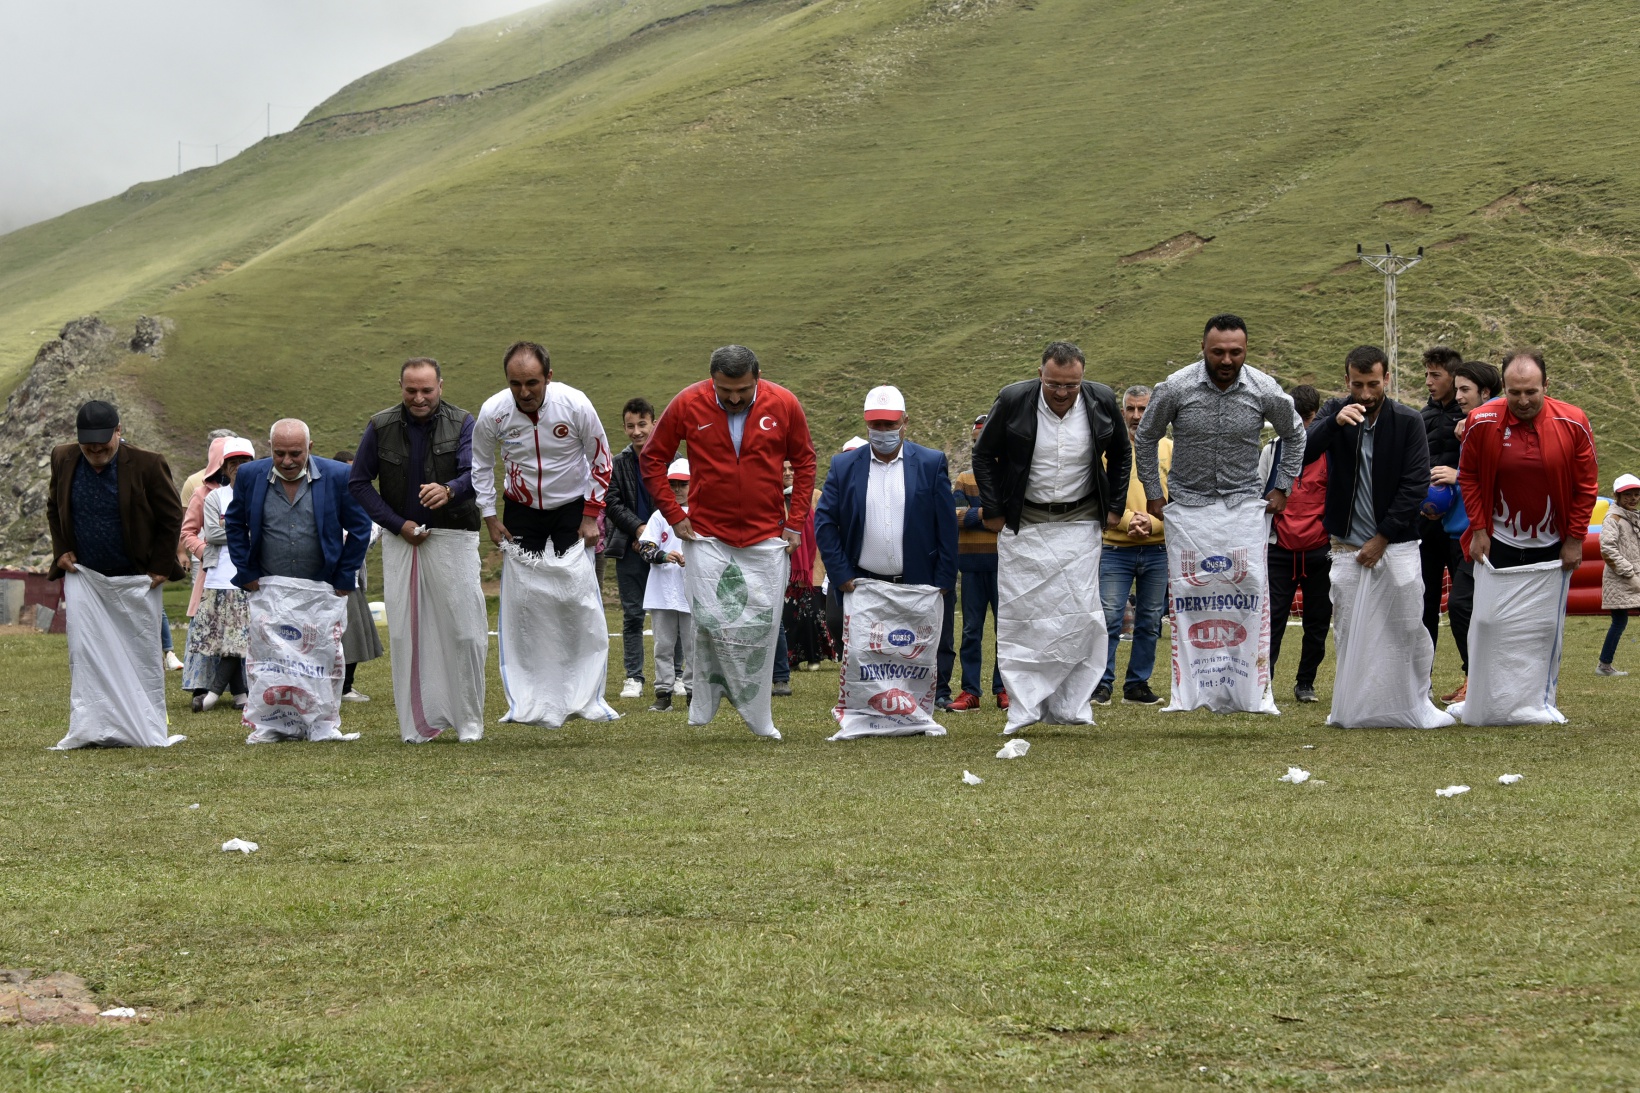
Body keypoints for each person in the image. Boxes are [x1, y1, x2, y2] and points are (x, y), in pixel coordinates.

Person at [640, 345, 816, 739]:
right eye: (724, 391)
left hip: (766, 533)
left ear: (757, 377)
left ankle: (758, 712)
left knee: (764, 624)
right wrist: (675, 514)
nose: (734, 398)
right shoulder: (687, 403)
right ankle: (704, 702)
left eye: (743, 390)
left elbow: (805, 461)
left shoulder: (784, 403)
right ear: (711, 381)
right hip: (707, 534)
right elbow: (653, 459)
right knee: (706, 623)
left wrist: (796, 521)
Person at [1135, 315, 1304, 713]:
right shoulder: (1175, 387)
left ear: (1246, 350)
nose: (1227, 360)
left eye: (1235, 352)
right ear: (1203, 348)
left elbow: (1295, 434)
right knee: (1191, 593)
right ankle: (1191, 692)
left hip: (1242, 507)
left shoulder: (1264, 389)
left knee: (1248, 591)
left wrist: (1282, 486)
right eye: (1218, 352)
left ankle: (1252, 689)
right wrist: (1154, 492)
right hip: (1188, 507)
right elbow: (1146, 437)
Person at [973, 341, 1127, 732]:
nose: (1062, 393)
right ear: (1040, 373)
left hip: (1081, 522)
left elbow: (1122, 453)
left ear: (1082, 378)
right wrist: (993, 510)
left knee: (1082, 617)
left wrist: (1115, 506)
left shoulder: (1102, 399)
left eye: (1071, 385)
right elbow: (983, 455)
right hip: (1025, 523)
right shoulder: (1012, 399)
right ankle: (1024, 706)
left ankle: (1072, 704)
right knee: (1022, 619)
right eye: (1054, 384)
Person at [1304, 346, 1444, 728]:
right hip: (1345, 546)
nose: (1365, 394)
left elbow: (1415, 484)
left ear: (1387, 379)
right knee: (1349, 629)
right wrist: (1333, 424)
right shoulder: (1335, 413)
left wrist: (1382, 538)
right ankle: (1355, 706)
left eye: (1373, 384)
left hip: (1397, 545)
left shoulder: (1409, 420)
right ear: (1346, 381)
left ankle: (1411, 703)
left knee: (1406, 626)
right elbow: (1302, 453)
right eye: (1357, 384)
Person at [350, 359, 490, 742]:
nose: (419, 398)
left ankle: (469, 722)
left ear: (441, 386)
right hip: (402, 542)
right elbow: (359, 483)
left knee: (465, 632)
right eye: (411, 390)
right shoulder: (380, 426)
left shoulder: (464, 422)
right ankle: (417, 724)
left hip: (454, 537)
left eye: (426, 390)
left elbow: (476, 475)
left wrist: (449, 491)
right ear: (400, 387)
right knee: (405, 635)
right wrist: (398, 525)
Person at [815, 385, 958, 737]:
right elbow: (825, 522)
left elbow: (946, 526)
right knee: (867, 653)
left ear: (905, 422)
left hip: (917, 582)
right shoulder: (844, 465)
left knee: (914, 652)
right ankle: (866, 714)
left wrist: (942, 579)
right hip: (864, 581)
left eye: (889, 423)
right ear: (866, 425)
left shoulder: (929, 462)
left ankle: (917, 713)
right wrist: (841, 573)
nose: (882, 432)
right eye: (876, 425)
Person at [46, 400, 187, 749]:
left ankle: (143, 727)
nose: (96, 452)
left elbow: (171, 517)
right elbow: (54, 505)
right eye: (88, 447)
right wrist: (61, 548)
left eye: (103, 446)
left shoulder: (148, 464)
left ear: (119, 432)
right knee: (86, 653)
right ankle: (91, 726)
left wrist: (159, 565)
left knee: (140, 654)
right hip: (85, 576)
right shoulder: (62, 457)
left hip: (136, 577)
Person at [225, 419, 374, 743]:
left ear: (310, 448)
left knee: (320, 657)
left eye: (295, 453)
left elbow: (360, 527)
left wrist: (344, 575)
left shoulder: (337, 476)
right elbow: (235, 524)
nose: (288, 461)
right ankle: (271, 723)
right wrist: (246, 572)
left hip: (320, 587)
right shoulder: (250, 476)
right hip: (268, 587)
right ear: (269, 449)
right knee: (271, 659)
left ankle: (321, 724)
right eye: (280, 454)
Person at [1458, 350, 1598, 573]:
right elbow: (1468, 477)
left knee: (1544, 610)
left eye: (1531, 392)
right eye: (1515, 393)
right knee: (1472, 606)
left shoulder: (1574, 422)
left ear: (1546, 385)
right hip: (1497, 542)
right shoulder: (1480, 420)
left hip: (1553, 545)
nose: (1523, 401)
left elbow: (1586, 488)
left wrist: (1575, 540)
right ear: (1504, 387)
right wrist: (1478, 530)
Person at [472, 340, 612, 557]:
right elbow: (481, 463)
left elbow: (601, 460)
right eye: (515, 384)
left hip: (572, 506)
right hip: (521, 508)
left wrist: (591, 515)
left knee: (574, 584)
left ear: (548, 377)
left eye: (532, 383)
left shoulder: (576, 405)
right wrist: (489, 516)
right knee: (523, 584)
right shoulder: (493, 412)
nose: (524, 393)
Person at [1096, 384, 1169, 707]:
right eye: (1131, 409)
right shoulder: (1105, 450)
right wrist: (1127, 521)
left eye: (1143, 409)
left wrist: (1153, 523)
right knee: (1109, 618)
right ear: (1122, 411)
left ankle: (1137, 685)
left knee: (1150, 620)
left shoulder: (1170, 449)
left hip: (1158, 548)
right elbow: (1096, 495)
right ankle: (1101, 683)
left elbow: (1181, 499)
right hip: (1114, 547)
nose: (1137, 416)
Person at [1435, 360, 1502, 703]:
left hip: (1485, 536)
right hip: (1456, 533)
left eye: (1465, 390)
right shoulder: (1467, 426)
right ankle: (1473, 679)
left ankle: (1481, 681)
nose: (1458, 395)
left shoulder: (1495, 428)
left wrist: (1456, 476)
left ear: (1486, 393)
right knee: (1464, 608)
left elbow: (1495, 477)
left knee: (1463, 606)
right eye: (1457, 388)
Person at [1259, 385, 1329, 703]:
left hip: (1319, 549)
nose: (1301, 426)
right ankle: (1264, 683)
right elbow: (1256, 495)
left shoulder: (1330, 453)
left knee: (1317, 621)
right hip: (1279, 549)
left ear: (1318, 416)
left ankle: (1306, 683)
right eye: (1294, 418)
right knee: (1271, 621)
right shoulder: (1271, 450)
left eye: (1308, 418)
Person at [605, 397, 667, 699]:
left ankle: (677, 675)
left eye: (642, 424)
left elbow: (682, 498)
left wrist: (654, 532)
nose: (636, 431)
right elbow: (611, 503)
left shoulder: (671, 459)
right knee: (632, 615)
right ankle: (634, 677)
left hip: (668, 549)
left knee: (672, 612)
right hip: (630, 548)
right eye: (630, 426)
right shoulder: (618, 463)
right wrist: (638, 528)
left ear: (653, 422)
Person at [193, 437, 257, 712]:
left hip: (250, 576)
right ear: (225, 467)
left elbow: (264, 532)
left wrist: (232, 529)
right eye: (234, 463)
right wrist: (245, 531)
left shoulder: (260, 495)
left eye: (245, 463)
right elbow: (212, 533)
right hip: (220, 577)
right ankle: (240, 695)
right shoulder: (215, 497)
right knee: (226, 640)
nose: (239, 468)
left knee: (239, 639)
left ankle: (213, 694)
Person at [948, 414, 1005, 712]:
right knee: (971, 630)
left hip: (1004, 566)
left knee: (1004, 630)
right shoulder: (964, 479)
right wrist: (985, 515)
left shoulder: (1009, 478)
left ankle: (1004, 688)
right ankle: (970, 690)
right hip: (970, 565)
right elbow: (953, 516)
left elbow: (1009, 521)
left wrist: (975, 515)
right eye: (975, 441)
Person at [635, 458, 695, 710]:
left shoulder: (703, 513)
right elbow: (645, 547)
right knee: (663, 646)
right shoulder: (659, 516)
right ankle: (663, 695)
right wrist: (663, 555)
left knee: (694, 647)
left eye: (683, 484)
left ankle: (694, 694)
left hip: (693, 591)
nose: (678, 489)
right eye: (673, 484)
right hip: (661, 592)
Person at [1418, 347, 1465, 657]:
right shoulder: (1420, 416)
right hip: (1424, 522)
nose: (1428, 382)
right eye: (1426, 375)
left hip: (1460, 525)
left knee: (1464, 604)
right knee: (1424, 602)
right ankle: (1422, 679)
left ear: (1453, 377)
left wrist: (1457, 476)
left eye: (1435, 375)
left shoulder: (1475, 417)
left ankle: (1472, 676)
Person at [179, 435, 231, 698]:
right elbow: (188, 532)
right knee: (207, 624)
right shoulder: (201, 493)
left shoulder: (250, 491)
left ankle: (239, 687)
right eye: (226, 463)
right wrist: (205, 551)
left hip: (241, 571)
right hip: (211, 571)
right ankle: (201, 684)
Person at [331, 449, 384, 704]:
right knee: (342, 635)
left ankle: (346, 686)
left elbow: (369, 529)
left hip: (351, 577)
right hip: (331, 579)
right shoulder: (329, 497)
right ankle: (338, 688)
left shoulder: (360, 498)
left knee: (352, 634)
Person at [1599, 475, 1640, 676]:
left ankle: (1604, 666)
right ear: (1617, 495)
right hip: (1621, 578)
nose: (1633, 498)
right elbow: (1607, 549)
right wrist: (1629, 573)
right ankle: (1604, 666)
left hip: (1633, 576)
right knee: (1619, 621)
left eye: (1636, 494)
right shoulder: (1613, 519)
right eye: (1628, 495)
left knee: (1619, 621)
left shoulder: (1632, 516)